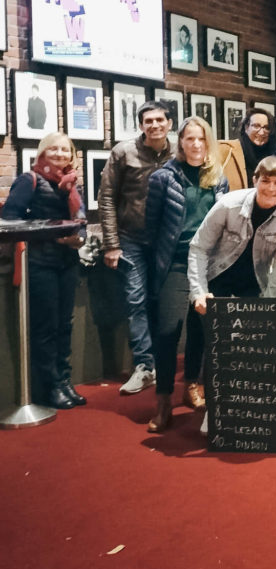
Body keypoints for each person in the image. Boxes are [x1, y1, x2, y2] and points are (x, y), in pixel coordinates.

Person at [143, 117, 228, 432]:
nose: (195, 145)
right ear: (180, 143)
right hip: (175, 263)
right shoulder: (163, 178)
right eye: (189, 139)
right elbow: (150, 229)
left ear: (209, 142)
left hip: (207, 263)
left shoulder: (218, 179)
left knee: (200, 329)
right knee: (167, 331)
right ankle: (163, 399)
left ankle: (192, 383)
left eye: (201, 139)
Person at [2, 132, 86, 409]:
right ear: (42, 151)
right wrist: (53, 235)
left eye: (65, 149)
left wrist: (79, 238)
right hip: (39, 263)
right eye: (54, 149)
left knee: (64, 325)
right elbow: (10, 221)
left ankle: (64, 382)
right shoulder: (30, 180)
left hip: (67, 262)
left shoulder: (71, 183)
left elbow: (80, 220)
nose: (60, 153)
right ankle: (48, 387)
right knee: (46, 328)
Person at [99, 101, 174, 394]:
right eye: (148, 121)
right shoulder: (123, 152)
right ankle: (144, 366)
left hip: (167, 239)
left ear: (169, 122)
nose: (154, 125)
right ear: (140, 125)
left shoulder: (179, 151)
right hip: (131, 238)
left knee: (164, 301)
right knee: (136, 300)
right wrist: (111, 245)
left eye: (159, 120)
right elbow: (106, 198)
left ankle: (165, 363)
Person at [188, 156, 276, 308]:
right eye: (265, 181)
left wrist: (268, 303)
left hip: (254, 282)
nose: (271, 188)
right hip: (215, 277)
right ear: (255, 181)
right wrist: (199, 292)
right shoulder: (228, 204)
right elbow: (199, 247)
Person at [218, 108, 276, 190]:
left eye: (266, 128)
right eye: (256, 126)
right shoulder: (227, 150)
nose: (261, 132)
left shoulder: (273, 157)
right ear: (246, 127)